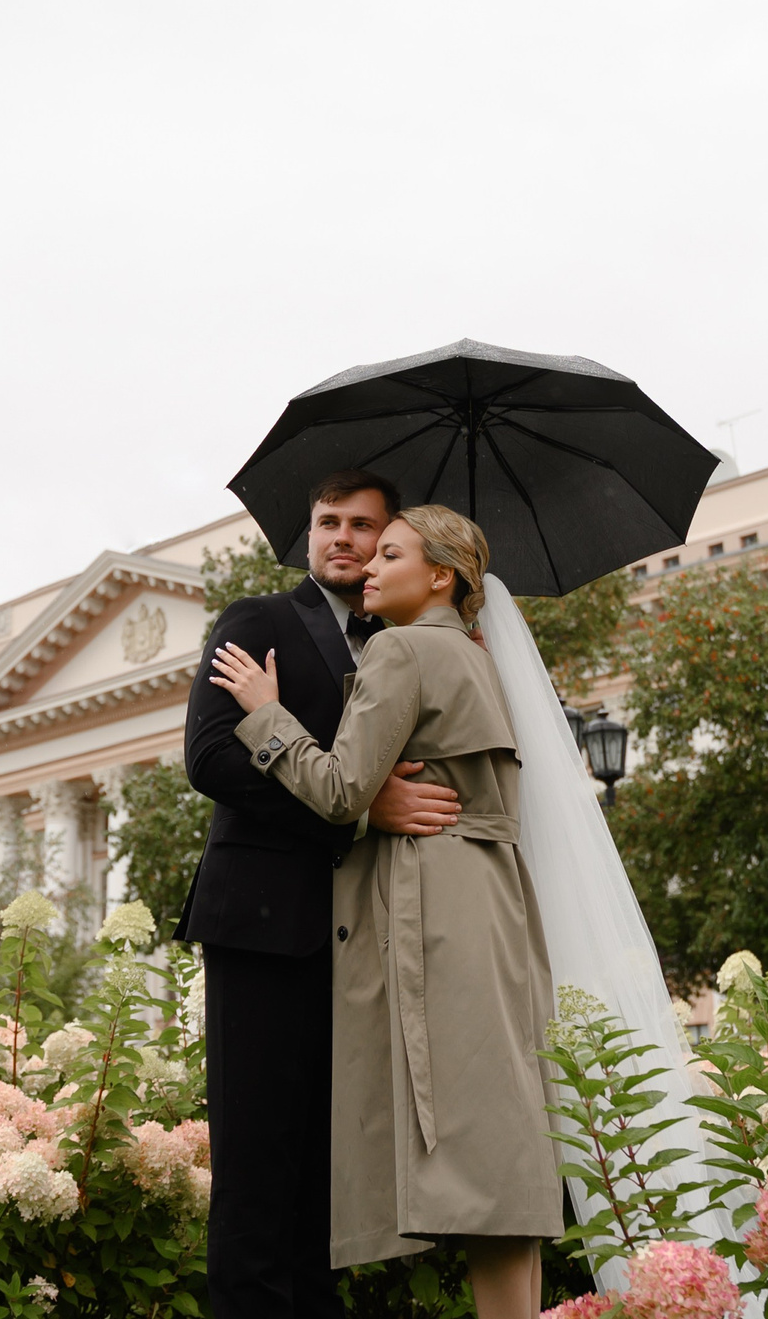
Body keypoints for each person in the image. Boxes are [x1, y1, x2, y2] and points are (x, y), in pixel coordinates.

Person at [208, 504, 561, 1319]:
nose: (366, 562)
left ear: (441, 575)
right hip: (499, 903)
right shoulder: (482, 659)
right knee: (502, 1145)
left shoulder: (400, 649)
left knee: (470, 1152)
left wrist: (266, 709)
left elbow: (339, 790)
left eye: (389, 550)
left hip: (436, 904)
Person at [179, 468, 466, 1319]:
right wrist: (354, 810)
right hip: (264, 927)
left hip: (361, 940)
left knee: (325, 1174)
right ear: (309, 535)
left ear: (388, 544)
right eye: (327, 522)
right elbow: (210, 757)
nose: (342, 538)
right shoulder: (258, 620)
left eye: (363, 527)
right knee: (257, 1167)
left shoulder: (403, 639)